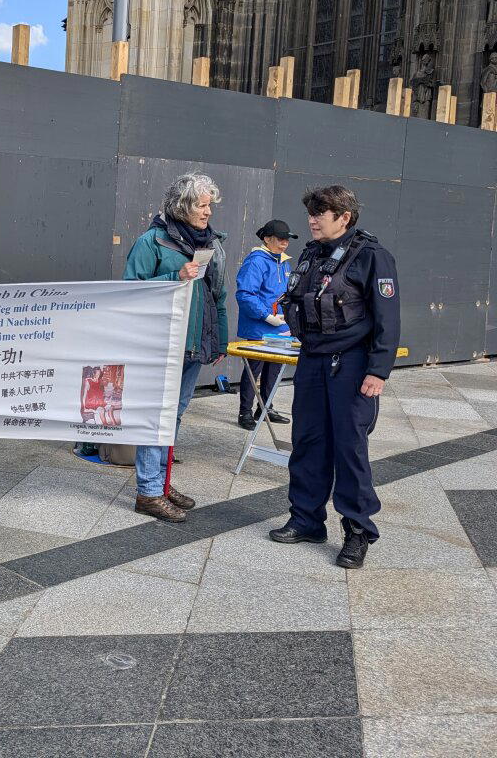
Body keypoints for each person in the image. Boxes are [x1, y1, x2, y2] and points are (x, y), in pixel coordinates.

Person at [270, 186, 399, 569]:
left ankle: (357, 531)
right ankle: (307, 519)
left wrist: (378, 372)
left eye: (320, 213)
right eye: (311, 213)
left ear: (344, 217)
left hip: (352, 365)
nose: (312, 220)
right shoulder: (312, 253)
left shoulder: (372, 257)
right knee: (307, 441)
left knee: (349, 448)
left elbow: (387, 320)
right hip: (312, 361)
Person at [123, 174, 228, 522]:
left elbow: (218, 296)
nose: (208, 211)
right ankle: (149, 492)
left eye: (210, 204)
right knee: (157, 414)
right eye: (202, 205)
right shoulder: (151, 242)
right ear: (182, 206)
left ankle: (162, 483)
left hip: (194, 346)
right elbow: (130, 291)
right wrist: (174, 278)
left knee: (175, 414)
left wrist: (220, 339)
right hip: (160, 346)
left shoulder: (211, 245)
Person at [235, 219, 298, 430]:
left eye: (286, 239)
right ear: (267, 239)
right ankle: (245, 412)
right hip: (259, 327)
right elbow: (245, 294)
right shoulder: (256, 261)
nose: (284, 243)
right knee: (254, 370)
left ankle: (265, 407)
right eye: (280, 239)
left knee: (274, 370)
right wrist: (266, 316)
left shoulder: (284, 262)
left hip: (280, 327)